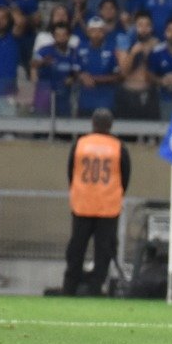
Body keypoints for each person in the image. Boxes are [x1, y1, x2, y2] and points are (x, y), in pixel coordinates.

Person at [63, 108, 130, 296]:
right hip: (108, 206)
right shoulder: (118, 146)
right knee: (103, 252)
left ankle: (69, 287)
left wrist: (78, 190)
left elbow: (71, 172)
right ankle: (95, 288)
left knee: (76, 248)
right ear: (110, 125)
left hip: (82, 203)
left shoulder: (80, 144)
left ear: (92, 123)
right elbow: (125, 176)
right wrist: (116, 193)